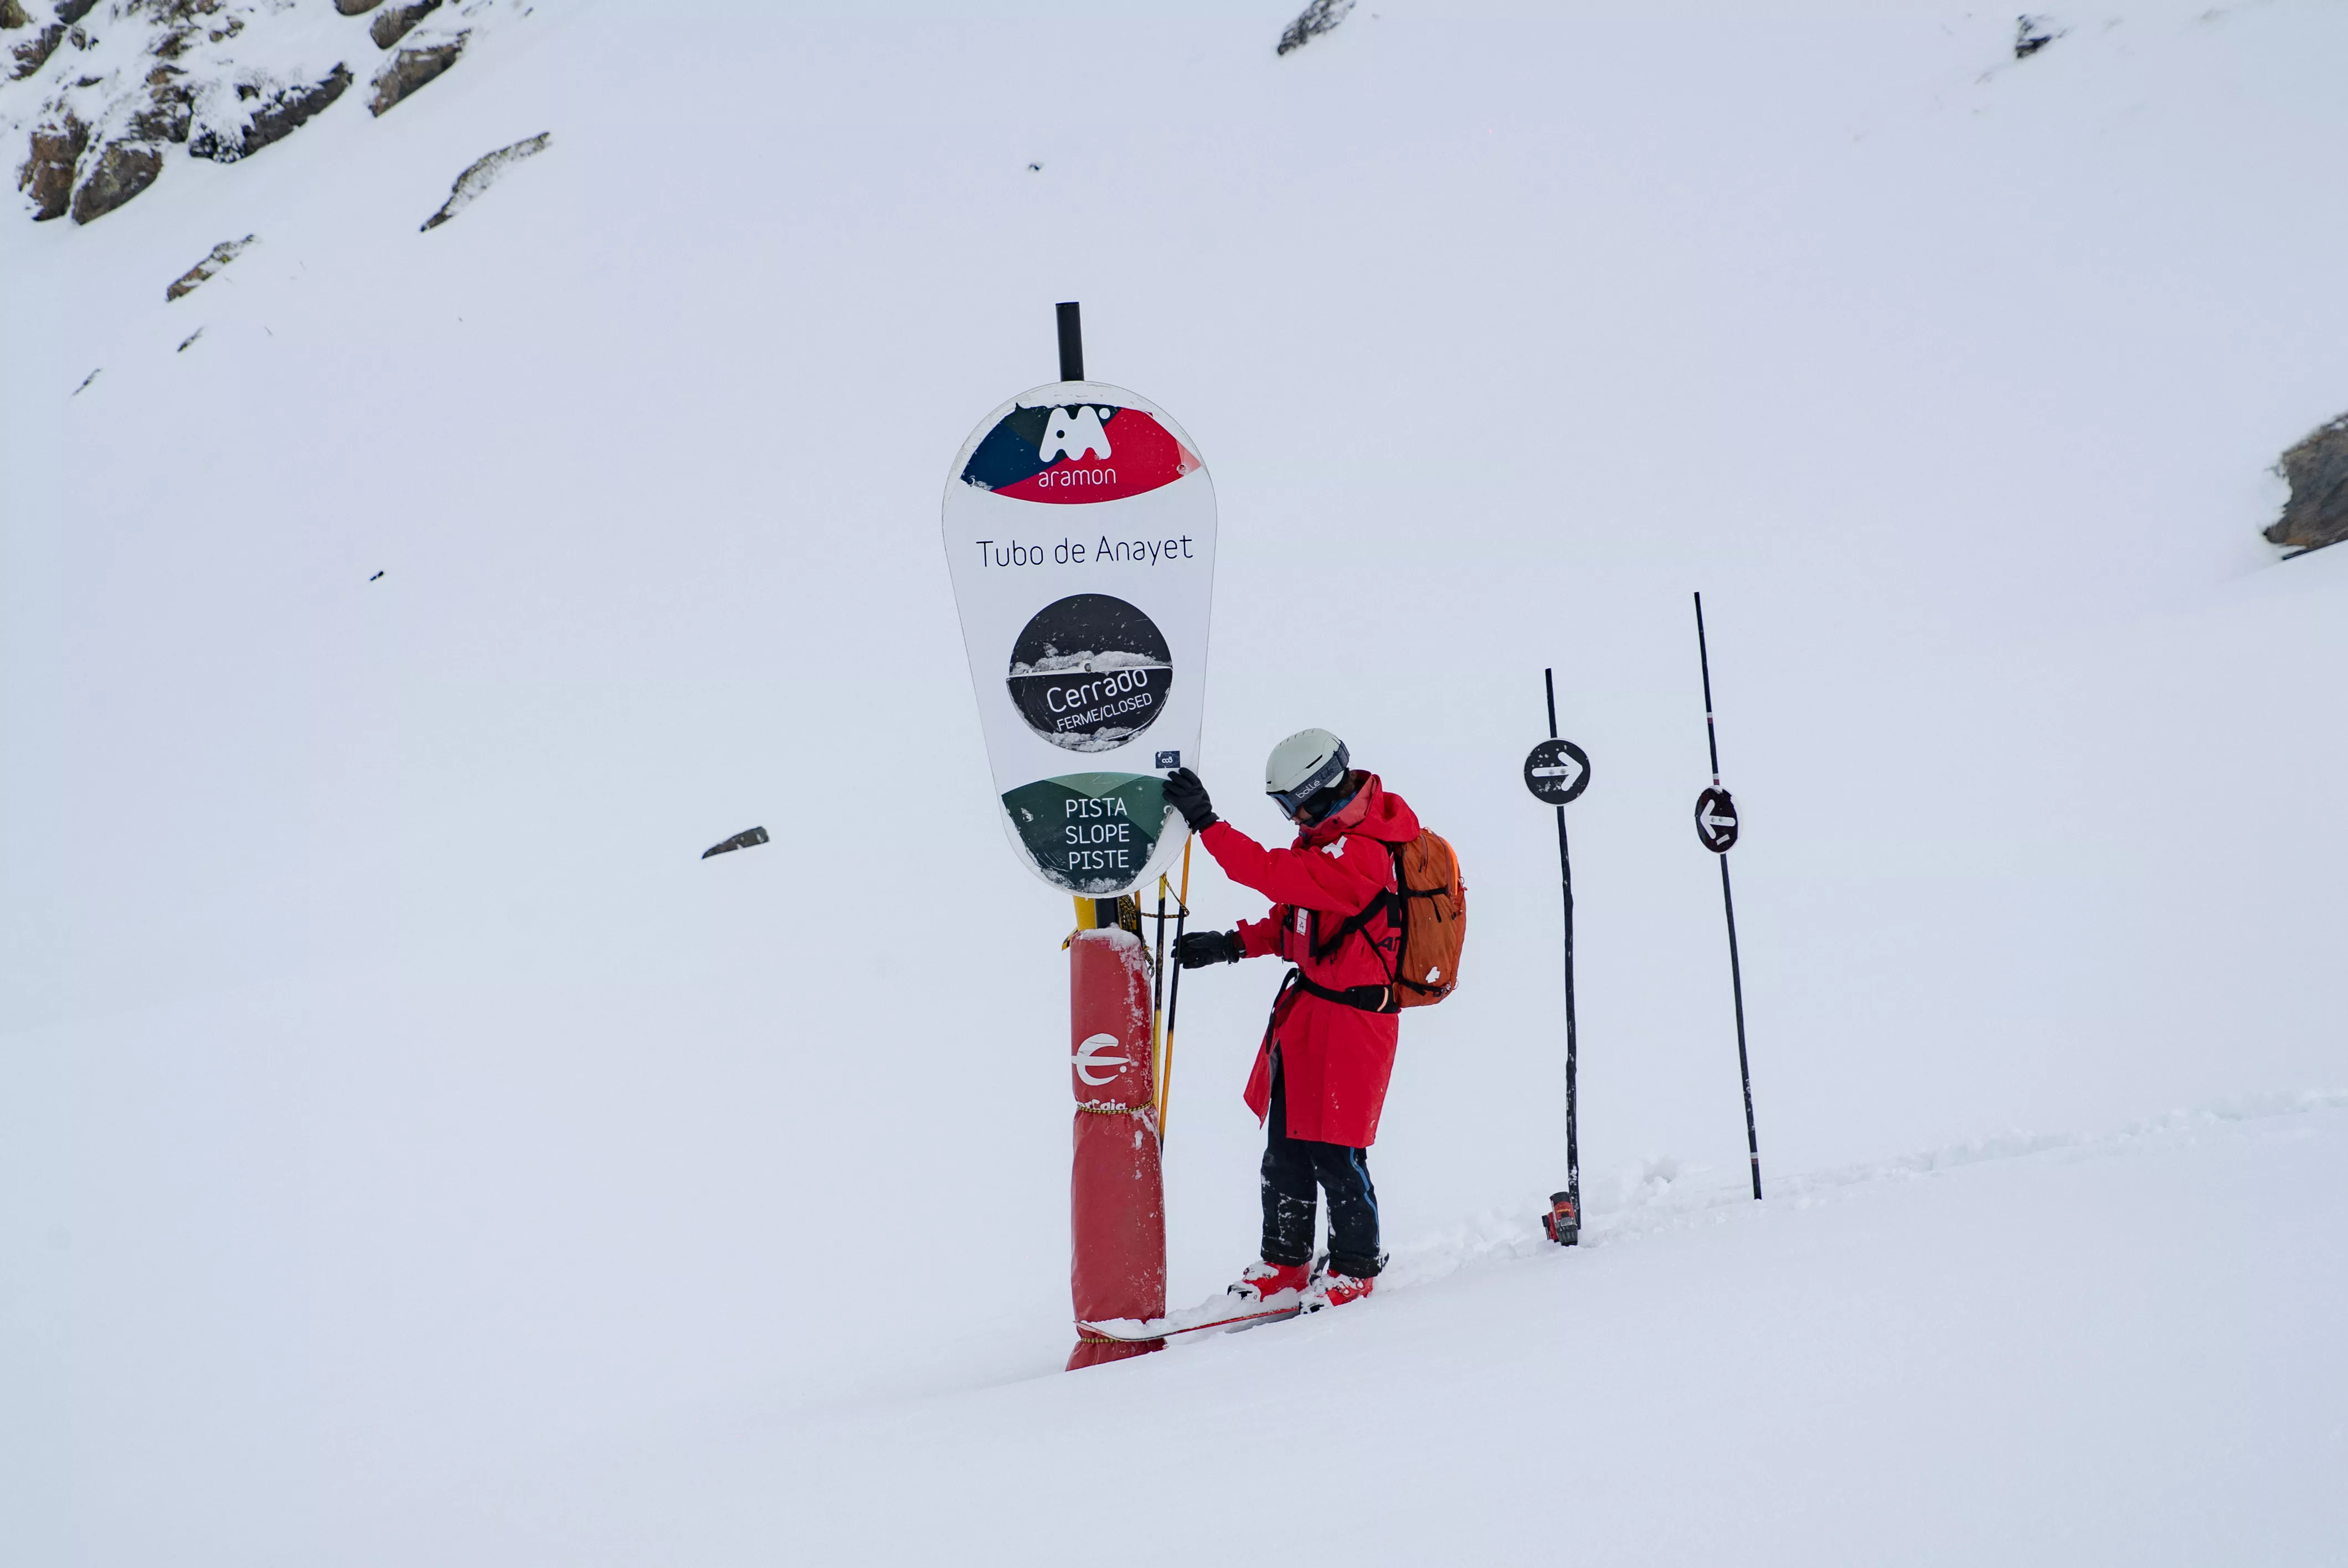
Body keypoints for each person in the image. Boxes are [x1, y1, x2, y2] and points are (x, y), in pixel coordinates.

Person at [1162, 729, 1420, 1313]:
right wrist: (1232, 944)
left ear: (1325, 789)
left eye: (1296, 805)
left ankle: (1355, 1265)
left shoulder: (1364, 852)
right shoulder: (1327, 842)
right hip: (1309, 1016)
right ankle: (1285, 1261)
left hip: (1355, 1023)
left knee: (1337, 1150)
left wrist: (1208, 825)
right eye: (1284, 808)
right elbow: (1297, 922)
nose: (1292, 818)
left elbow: (1273, 874)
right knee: (1285, 1148)